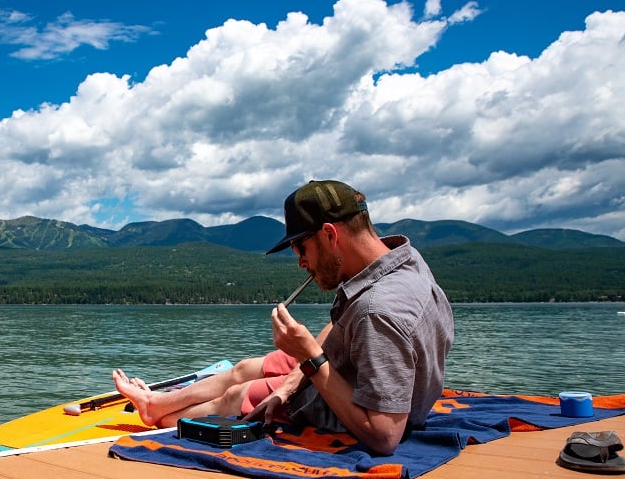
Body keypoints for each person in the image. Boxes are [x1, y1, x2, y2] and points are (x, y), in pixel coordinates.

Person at [112, 179, 454, 455]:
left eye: (301, 249)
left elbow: (383, 436)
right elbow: (343, 324)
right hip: (347, 367)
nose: (300, 263)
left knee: (237, 396)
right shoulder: (399, 260)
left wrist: (310, 358)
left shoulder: (378, 311)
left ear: (330, 235)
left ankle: (161, 419)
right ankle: (156, 404)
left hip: (355, 407)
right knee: (246, 367)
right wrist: (296, 374)